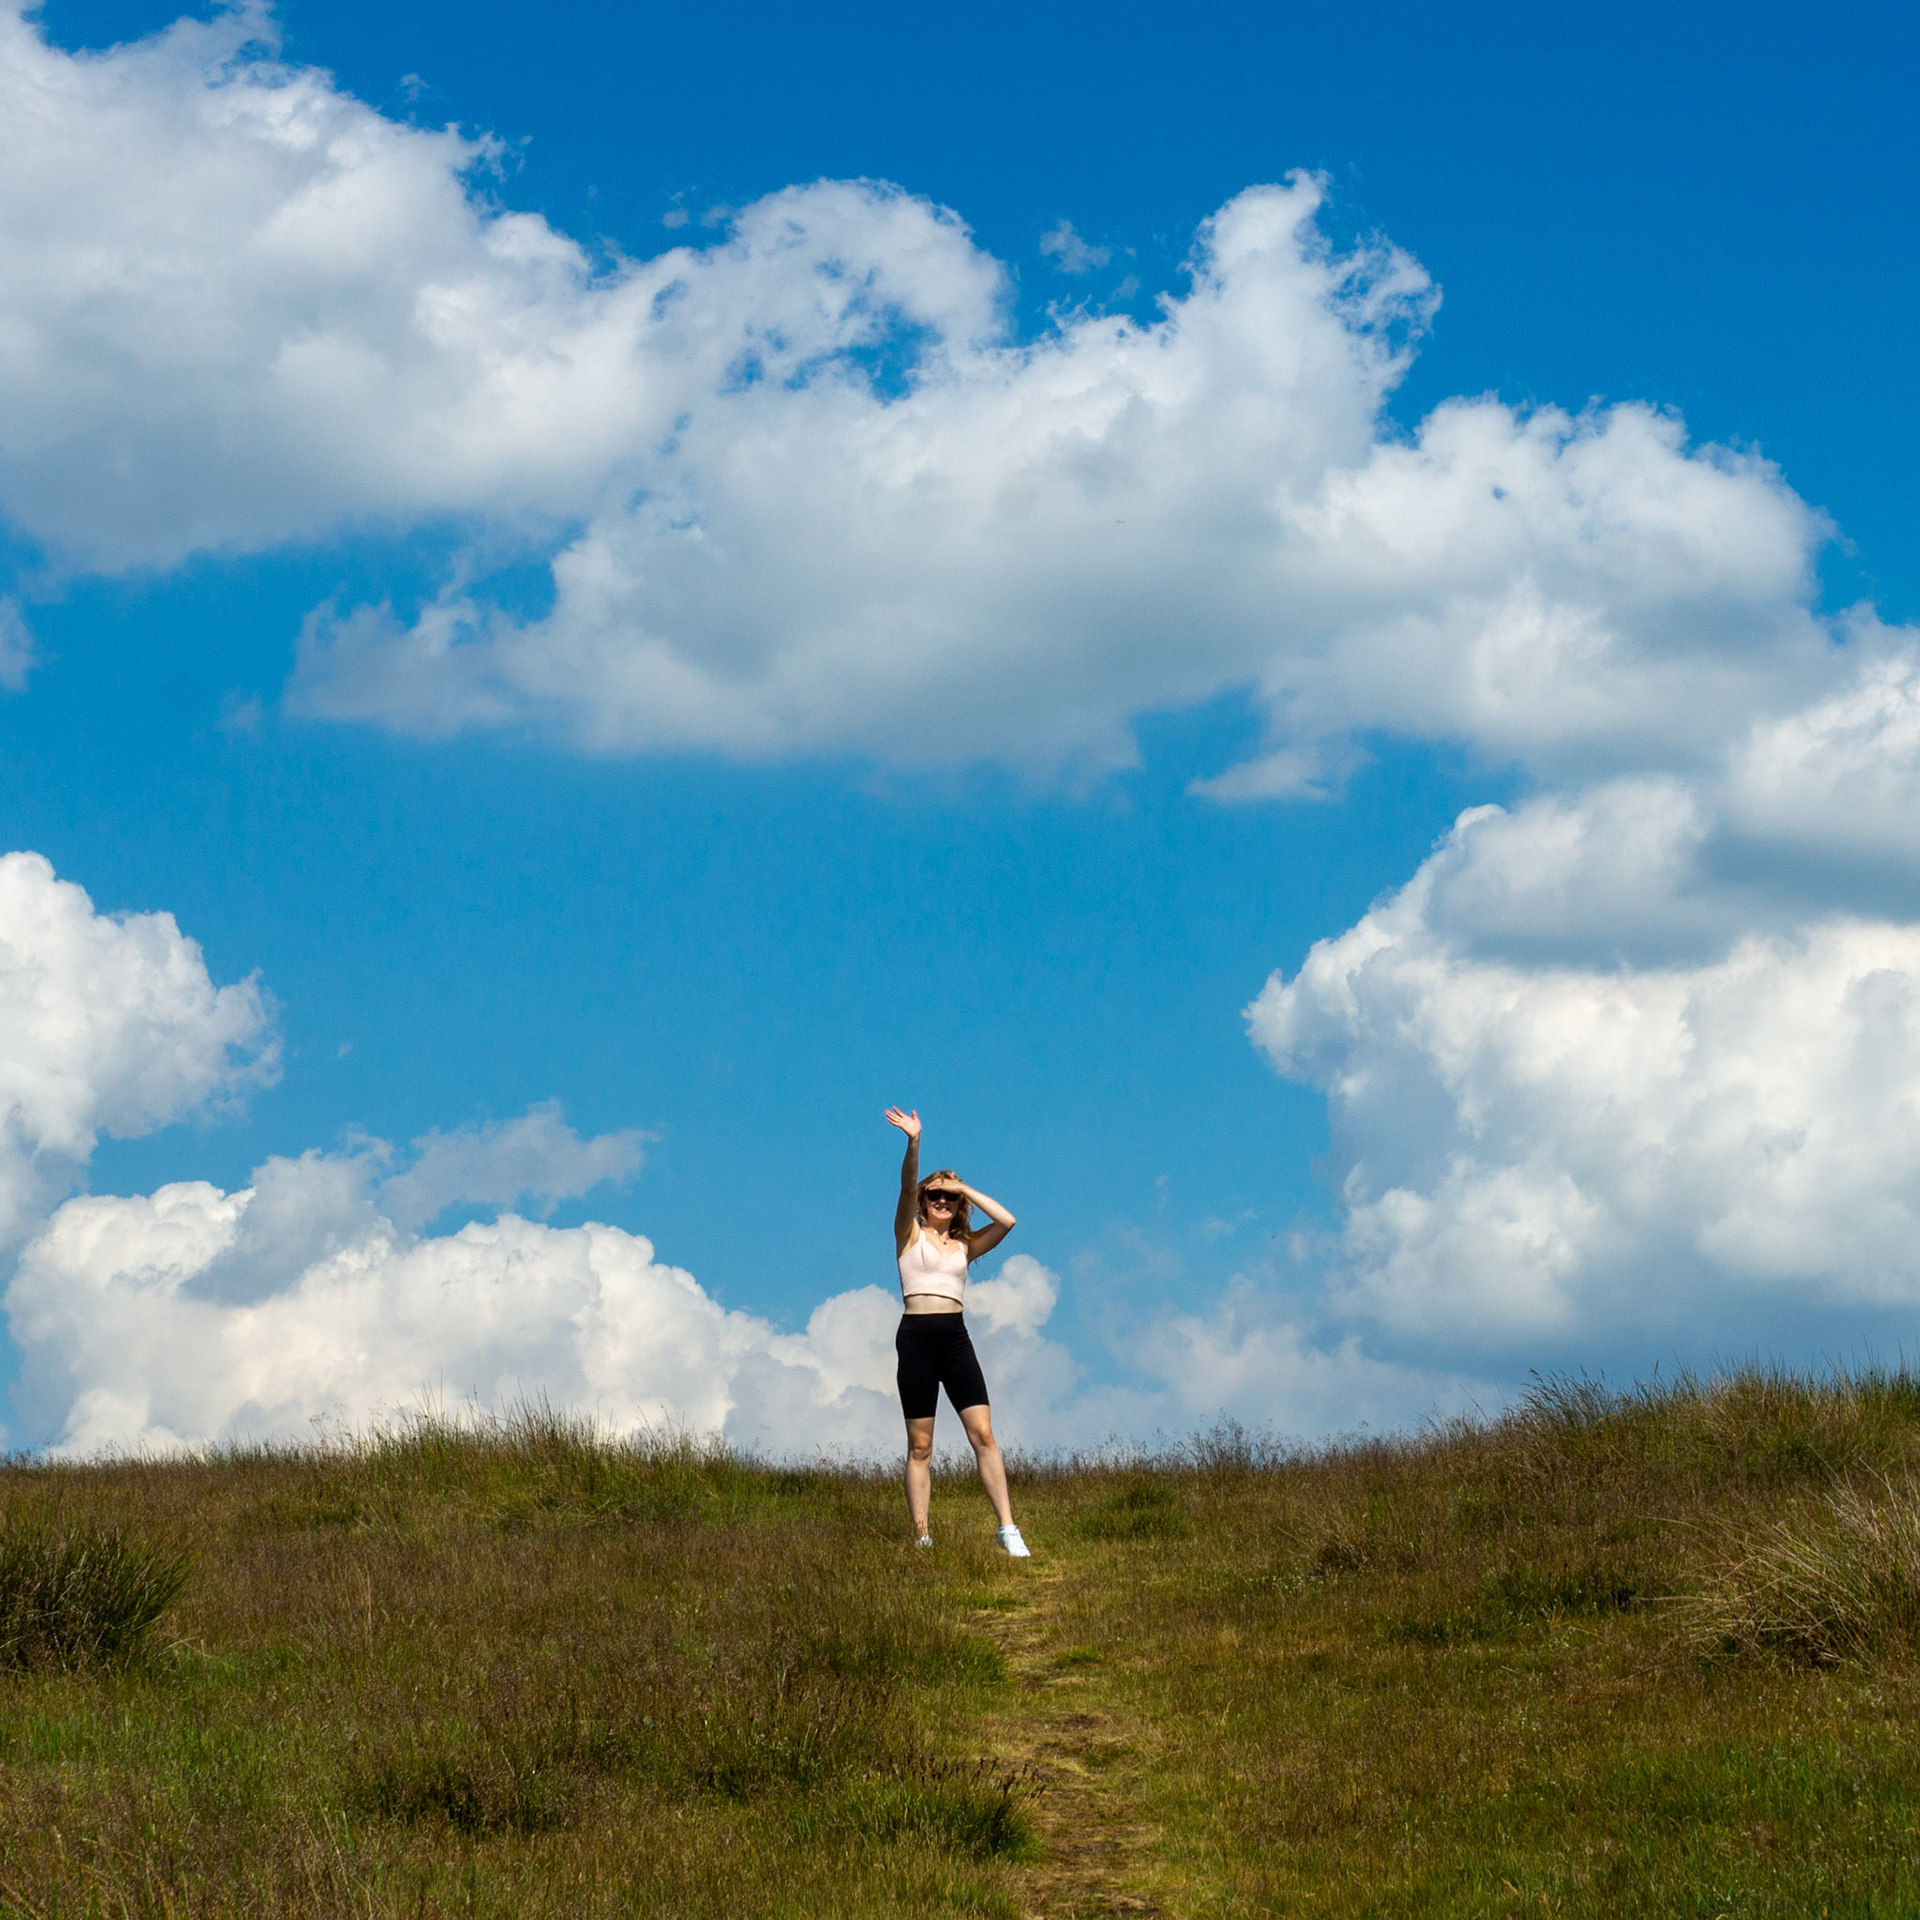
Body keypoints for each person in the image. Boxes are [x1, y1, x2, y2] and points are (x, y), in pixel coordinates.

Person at [883, 1106, 1030, 1557]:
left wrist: (962, 1184)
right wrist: (915, 1142)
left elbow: (1008, 1221)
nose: (941, 1202)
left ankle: (1008, 1530)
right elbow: (908, 1185)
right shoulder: (908, 1233)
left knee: (983, 1435)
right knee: (921, 1446)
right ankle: (923, 1536)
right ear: (924, 1201)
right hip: (916, 1337)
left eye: (948, 1197)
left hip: (954, 1338)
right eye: (935, 1195)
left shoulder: (965, 1246)